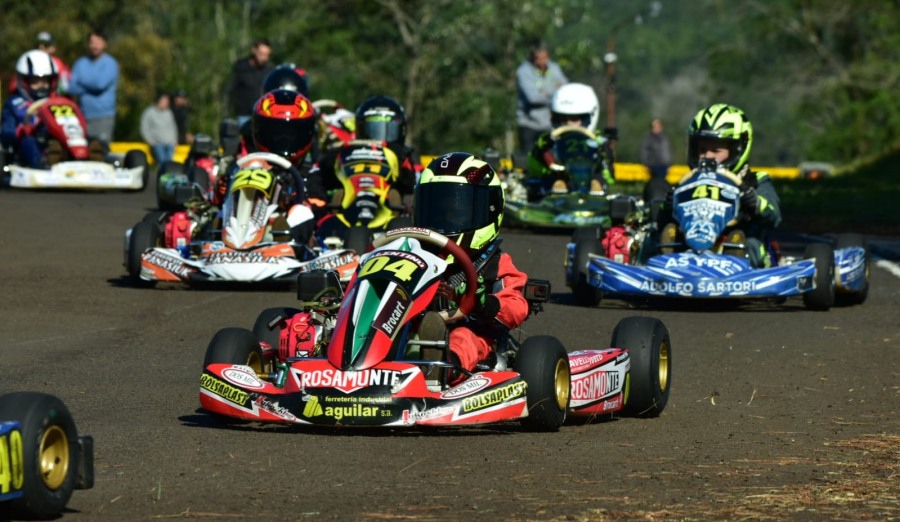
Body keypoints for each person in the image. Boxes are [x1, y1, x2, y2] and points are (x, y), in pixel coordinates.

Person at [413, 152, 530, 378]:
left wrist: (483, 302)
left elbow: (517, 306)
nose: (445, 220)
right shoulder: (414, 254)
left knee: (463, 338)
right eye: (438, 212)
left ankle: (442, 369)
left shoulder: (494, 262)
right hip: (413, 324)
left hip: (474, 330)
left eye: (456, 213)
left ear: (490, 211)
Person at [658, 103, 782, 268]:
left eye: (716, 150)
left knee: (751, 243)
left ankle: (734, 260)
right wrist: (667, 206)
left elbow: (775, 216)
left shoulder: (755, 181)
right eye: (702, 149)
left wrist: (755, 202)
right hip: (688, 245)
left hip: (737, 245)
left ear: (738, 149)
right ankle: (664, 261)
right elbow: (659, 217)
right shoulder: (687, 182)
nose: (707, 156)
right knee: (667, 231)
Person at [214, 89, 325, 243]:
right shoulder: (243, 166)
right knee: (214, 214)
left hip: (282, 242)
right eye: (276, 133)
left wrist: (288, 199)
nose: (283, 139)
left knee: (300, 212)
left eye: (290, 134)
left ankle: (285, 241)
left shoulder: (309, 174)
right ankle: (216, 239)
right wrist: (223, 188)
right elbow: (216, 198)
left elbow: (319, 205)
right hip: (236, 229)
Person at [527, 82, 615, 195]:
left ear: (588, 118)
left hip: (589, 186)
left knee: (597, 180)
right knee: (549, 180)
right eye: (564, 119)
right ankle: (558, 188)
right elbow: (534, 168)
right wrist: (544, 149)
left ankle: (594, 189)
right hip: (555, 188)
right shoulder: (548, 141)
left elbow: (609, 177)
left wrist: (602, 153)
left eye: (575, 119)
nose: (569, 124)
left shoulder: (598, 142)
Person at [1, 50, 59, 168]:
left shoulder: (57, 102)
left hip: (53, 142)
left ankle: (88, 158)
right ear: (25, 82)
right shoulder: (14, 104)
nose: (41, 86)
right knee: (29, 141)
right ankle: (42, 165)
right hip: (25, 148)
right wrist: (21, 130)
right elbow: (6, 132)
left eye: (45, 81)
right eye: (35, 81)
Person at [516, 40, 568, 155]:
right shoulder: (523, 72)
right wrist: (555, 92)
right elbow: (533, 98)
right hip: (530, 125)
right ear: (533, 58)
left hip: (549, 125)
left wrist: (545, 93)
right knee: (529, 159)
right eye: (539, 59)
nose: (543, 62)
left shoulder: (554, 68)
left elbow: (566, 89)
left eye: (545, 58)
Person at [68, 29, 119, 145]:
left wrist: (81, 82)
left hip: (103, 117)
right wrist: (90, 85)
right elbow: (72, 87)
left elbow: (100, 85)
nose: (94, 46)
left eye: (98, 42)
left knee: (99, 151)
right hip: (82, 115)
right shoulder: (80, 63)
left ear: (104, 44)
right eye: (92, 42)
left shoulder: (110, 63)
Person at [225, 38, 273, 127]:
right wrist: (227, 113)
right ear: (254, 50)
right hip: (244, 116)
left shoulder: (269, 71)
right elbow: (230, 90)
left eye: (267, 55)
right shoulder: (241, 67)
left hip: (263, 115)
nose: (264, 58)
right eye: (261, 54)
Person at [140, 92, 178, 165]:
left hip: (169, 143)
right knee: (162, 162)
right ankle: (162, 175)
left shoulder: (168, 113)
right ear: (159, 101)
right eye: (165, 101)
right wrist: (151, 141)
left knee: (169, 163)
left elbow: (173, 127)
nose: (167, 103)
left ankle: (168, 175)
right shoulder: (149, 113)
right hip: (157, 143)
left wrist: (174, 140)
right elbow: (144, 128)